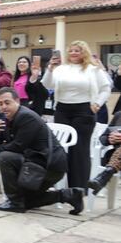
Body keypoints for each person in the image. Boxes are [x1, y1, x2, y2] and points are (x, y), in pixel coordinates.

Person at [0, 87, 83, 214]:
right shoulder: (6, 119)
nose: (3, 107)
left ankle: (14, 202)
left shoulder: (26, 117)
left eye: (7, 102)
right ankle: (69, 195)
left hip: (49, 166)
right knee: (27, 201)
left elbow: (18, 146)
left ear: (17, 101)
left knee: (5, 157)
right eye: (0, 104)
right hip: (34, 163)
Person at [41, 41, 111, 190]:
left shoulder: (93, 69)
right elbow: (47, 85)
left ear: (84, 52)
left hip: (84, 110)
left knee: (79, 150)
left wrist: (97, 103)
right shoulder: (61, 69)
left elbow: (106, 88)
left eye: (77, 50)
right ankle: (57, 185)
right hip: (62, 110)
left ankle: (78, 189)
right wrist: (50, 69)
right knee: (60, 148)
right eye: (71, 50)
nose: (73, 53)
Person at [88, 110, 121, 194]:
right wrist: (110, 138)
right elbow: (103, 137)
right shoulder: (119, 115)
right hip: (115, 157)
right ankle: (106, 174)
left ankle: (104, 176)